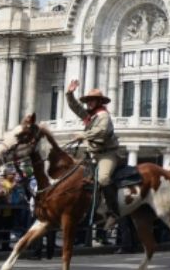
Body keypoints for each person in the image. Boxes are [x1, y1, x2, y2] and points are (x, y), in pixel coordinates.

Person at [66, 79, 120, 229]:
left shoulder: (103, 115)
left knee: (103, 179)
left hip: (106, 154)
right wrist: (69, 93)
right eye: (88, 101)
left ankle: (113, 212)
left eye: (92, 101)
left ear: (99, 102)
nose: (89, 103)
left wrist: (83, 136)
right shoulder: (90, 116)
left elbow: (102, 132)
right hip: (92, 154)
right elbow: (75, 107)